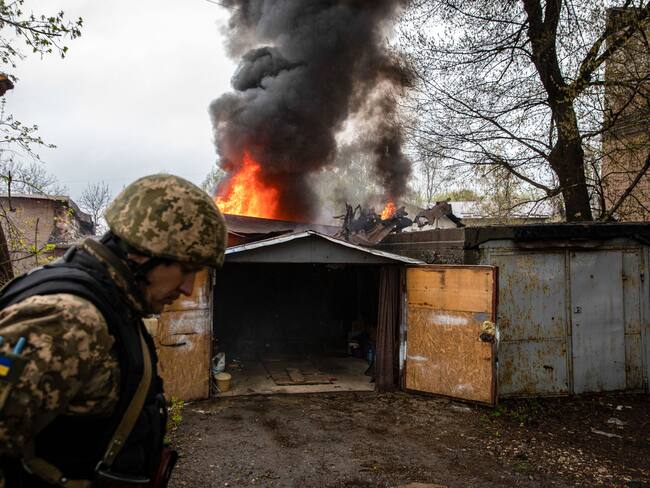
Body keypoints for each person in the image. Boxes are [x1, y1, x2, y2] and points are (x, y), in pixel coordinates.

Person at [0, 174, 227, 487]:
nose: (188, 287)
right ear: (144, 254)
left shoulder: (111, 305)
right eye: (186, 269)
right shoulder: (68, 318)